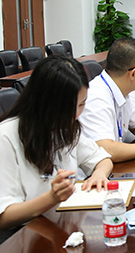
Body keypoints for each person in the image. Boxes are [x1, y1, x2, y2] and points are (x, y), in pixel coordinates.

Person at [0, 56, 113, 231]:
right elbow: (4, 217)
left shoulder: (63, 126)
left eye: (82, 104)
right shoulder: (6, 136)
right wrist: (51, 198)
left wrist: (99, 174)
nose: (76, 115)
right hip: (29, 234)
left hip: (64, 224)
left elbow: (102, 159)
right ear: (46, 103)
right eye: (69, 108)